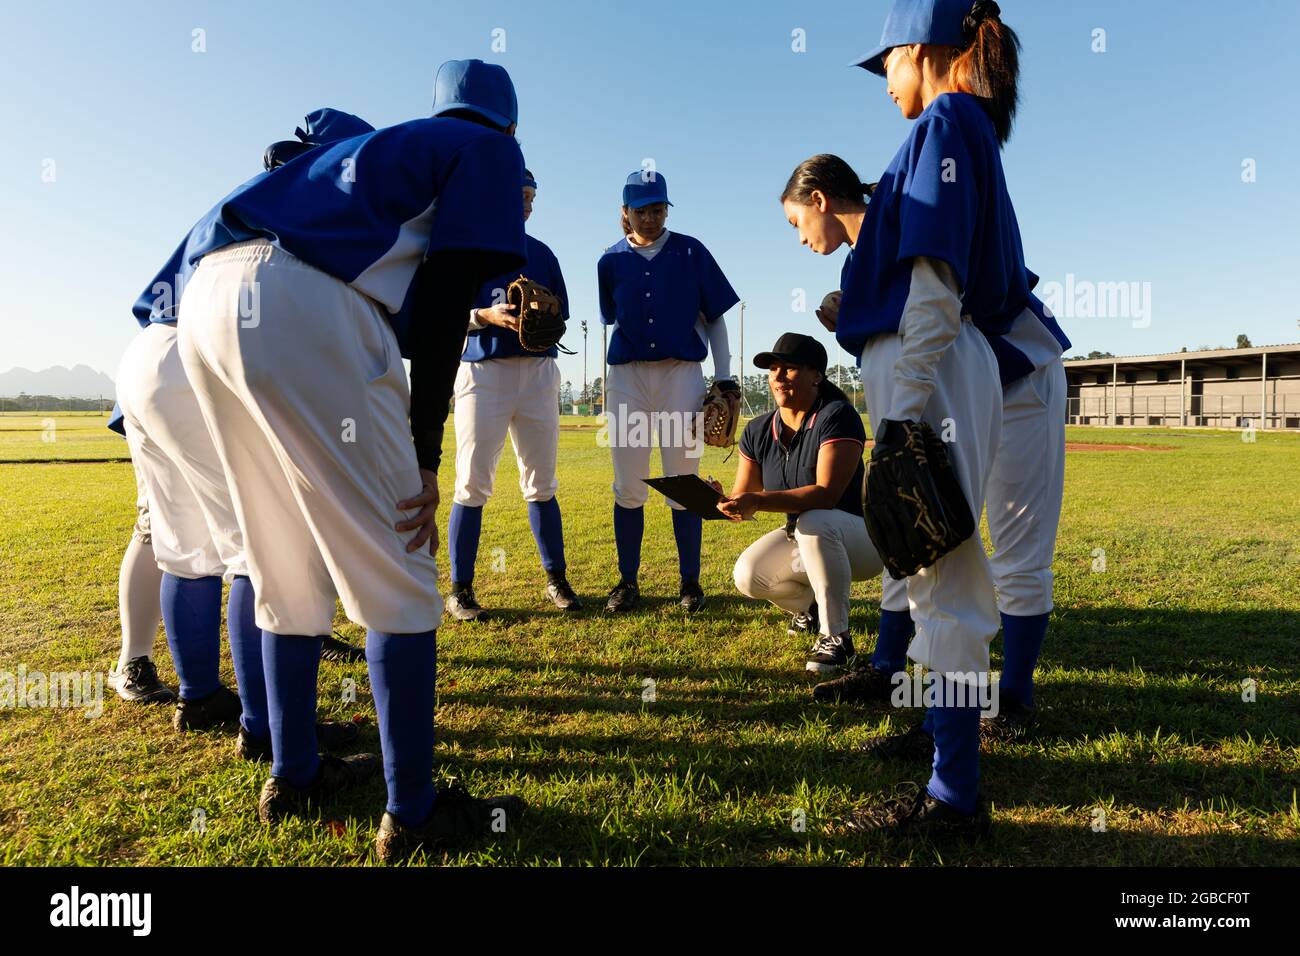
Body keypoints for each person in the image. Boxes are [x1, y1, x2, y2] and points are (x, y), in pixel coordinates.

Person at [168, 60, 530, 862]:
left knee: (278, 558)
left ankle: (294, 773)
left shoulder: (376, 155)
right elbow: (440, 305)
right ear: (505, 121)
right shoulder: (488, 149)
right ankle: (414, 812)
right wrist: (425, 451)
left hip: (207, 303)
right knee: (398, 565)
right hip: (305, 302)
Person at [786, 0, 1032, 837]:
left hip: (930, 365)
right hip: (923, 364)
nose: (884, 80)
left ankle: (954, 799)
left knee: (948, 584)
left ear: (918, 49)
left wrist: (907, 416)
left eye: (885, 61)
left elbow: (935, 282)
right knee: (933, 579)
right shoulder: (945, 127)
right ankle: (942, 755)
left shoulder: (948, 117)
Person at [598, 169, 739, 613]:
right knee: (629, 484)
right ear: (625, 213)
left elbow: (713, 315)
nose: (651, 217)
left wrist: (725, 374)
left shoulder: (691, 250)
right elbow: (610, 317)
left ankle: (690, 583)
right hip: (629, 379)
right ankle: (627, 581)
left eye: (659, 208)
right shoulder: (610, 260)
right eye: (642, 210)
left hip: (682, 373)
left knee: (683, 480)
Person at [445, 167, 582, 621]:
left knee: (542, 482)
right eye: (520, 194)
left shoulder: (541, 253)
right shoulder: (470, 248)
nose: (527, 203)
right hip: (484, 372)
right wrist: (484, 315)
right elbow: (445, 316)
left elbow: (561, 314)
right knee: (471, 482)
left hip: (538, 373)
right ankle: (461, 589)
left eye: (531, 195)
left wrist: (548, 320)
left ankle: (556, 579)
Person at [723, 333, 882, 673]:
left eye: (789, 368)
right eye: (773, 369)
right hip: (808, 536)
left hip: (864, 539)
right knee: (749, 575)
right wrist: (722, 501)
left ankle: (836, 636)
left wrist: (757, 500)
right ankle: (811, 609)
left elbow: (826, 494)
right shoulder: (759, 428)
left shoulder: (837, 415)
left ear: (816, 376)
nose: (778, 377)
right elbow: (744, 493)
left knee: (815, 520)